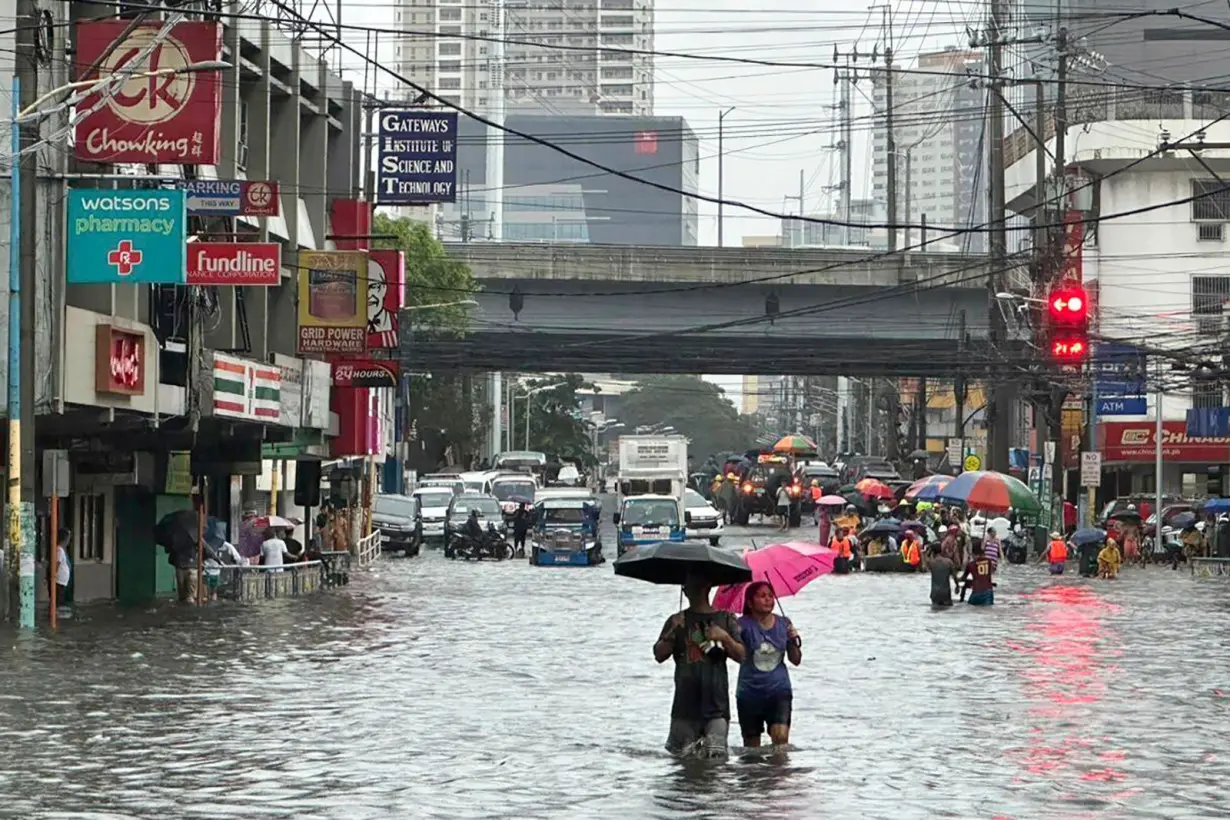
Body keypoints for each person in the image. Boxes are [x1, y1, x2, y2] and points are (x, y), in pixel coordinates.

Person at [654, 576, 746, 757]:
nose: (687, 588)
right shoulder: (676, 620)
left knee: (716, 761)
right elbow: (659, 655)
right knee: (682, 762)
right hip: (684, 706)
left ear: (707, 586)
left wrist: (724, 637)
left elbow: (742, 656)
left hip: (716, 705)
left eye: (691, 584)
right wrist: (672, 630)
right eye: (685, 585)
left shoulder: (726, 619)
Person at [736, 582, 801, 750]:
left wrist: (794, 639)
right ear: (750, 602)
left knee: (780, 742)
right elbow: (736, 655)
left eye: (771, 596)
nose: (768, 600)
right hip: (749, 693)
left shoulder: (784, 623)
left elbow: (796, 660)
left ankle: (776, 775)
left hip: (779, 690)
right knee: (752, 749)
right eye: (762, 596)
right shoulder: (741, 625)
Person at [51, 527, 71, 609]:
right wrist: (54, 576)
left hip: (62, 581)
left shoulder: (62, 549)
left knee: (61, 598)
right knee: (58, 600)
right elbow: (57, 563)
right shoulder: (59, 550)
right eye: (68, 538)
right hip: (59, 581)